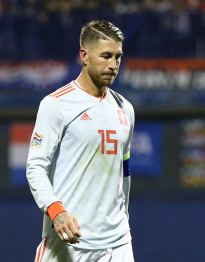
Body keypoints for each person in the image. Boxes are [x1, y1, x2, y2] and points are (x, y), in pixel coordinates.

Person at [26, 20, 135, 262]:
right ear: (84, 56)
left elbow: (124, 172)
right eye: (106, 56)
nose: (113, 65)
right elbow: (35, 167)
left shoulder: (125, 109)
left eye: (118, 57)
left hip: (117, 244)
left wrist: (123, 219)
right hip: (68, 240)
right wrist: (57, 213)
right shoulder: (56, 104)